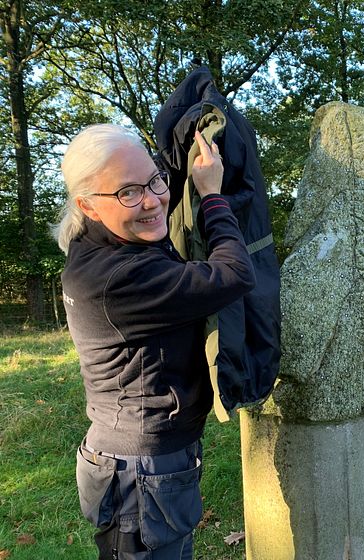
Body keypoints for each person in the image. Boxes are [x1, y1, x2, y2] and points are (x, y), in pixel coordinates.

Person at [54, 124, 255, 559]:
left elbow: (160, 220)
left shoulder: (98, 246)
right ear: (87, 204)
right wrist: (213, 197)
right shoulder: (119, 278)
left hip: (126, 455)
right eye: (127, 192)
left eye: (154, 180)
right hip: (143, 472)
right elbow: (235, 275)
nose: (152, 200)